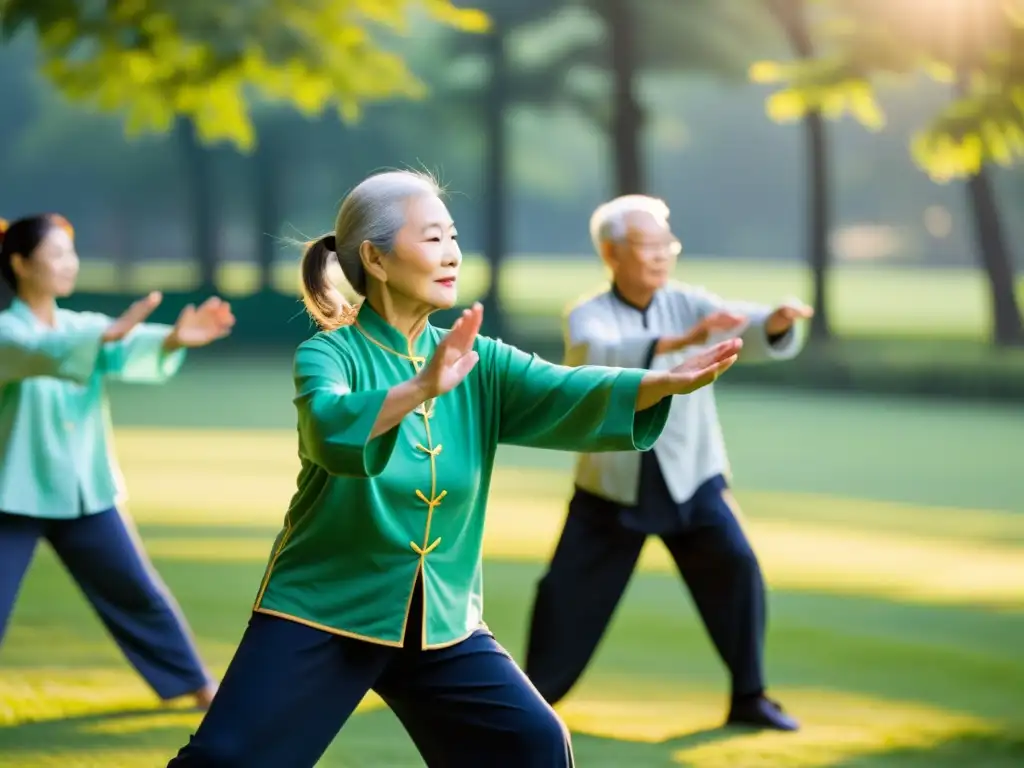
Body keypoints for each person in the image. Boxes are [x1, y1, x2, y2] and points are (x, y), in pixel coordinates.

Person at [167, 170, 744, 768]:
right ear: (376, 258)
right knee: (227, 760)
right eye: (433, 239)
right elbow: (329, 426)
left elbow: (568, 390)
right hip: (322, 608)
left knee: (532, 744)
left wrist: (661, 382)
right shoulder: (329, 352)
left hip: (440, 620)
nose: (453, 254)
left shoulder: (479, 359)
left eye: (453, 236)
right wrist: (420, 387)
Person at [523, 194, 814, 732]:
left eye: (666, 244)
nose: (660, 255)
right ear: (612, 254)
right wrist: (682, 341)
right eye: (647, 245)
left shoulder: (687, 300)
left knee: (737, 571)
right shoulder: (589, 313)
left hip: (692, 477)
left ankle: (750, 696)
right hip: (611, 488)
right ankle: (528, 706)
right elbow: (598, 355)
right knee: (565, 598)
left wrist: (771, 322)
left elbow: (738, 326)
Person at [0, 213, 236, 711]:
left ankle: (200, 688)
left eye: (72, 252)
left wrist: (173, 338)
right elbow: (40, 352)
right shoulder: (8, 331)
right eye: (57, 254)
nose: (70, 264)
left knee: (137, 592)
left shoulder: (81, 326)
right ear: (20, 264)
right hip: (12, 495)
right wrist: (106, 338)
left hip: (84, 490)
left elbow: (124, 348)